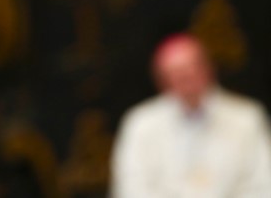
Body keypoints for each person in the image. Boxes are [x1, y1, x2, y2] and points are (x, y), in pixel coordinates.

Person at [111, 33, 271, 198]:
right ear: (162, 81)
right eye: (177, 73)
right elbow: (131, 189)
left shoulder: (247, 118)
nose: (187, 78)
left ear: (208, 68)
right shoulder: (141, 123)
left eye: (192, 68)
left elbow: (263, 185)